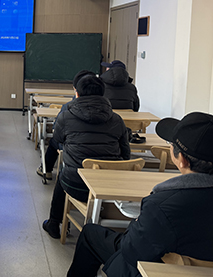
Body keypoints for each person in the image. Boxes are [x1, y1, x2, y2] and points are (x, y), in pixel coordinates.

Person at [67, 112, 213, 277]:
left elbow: (132, 251)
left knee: (90, 234)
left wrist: (137, 223)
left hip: (154, 270)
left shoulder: (161, 205)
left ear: (182, 160)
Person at [42, 74, 130, 239]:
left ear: (77, 93)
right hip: (109, 186)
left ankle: (54, 223)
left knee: (64, 173)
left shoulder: (66, 116)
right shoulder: (117, 119)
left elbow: (58, 140)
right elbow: (126, 154)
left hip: (77, 185)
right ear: (103, 94)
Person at [36, 70, 95, 180]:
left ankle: (46, 170)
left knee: (54, 141)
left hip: (74, 163)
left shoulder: (68, 109)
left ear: (76, 91)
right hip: (106, 165)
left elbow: (57, 133)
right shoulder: (113, 116)